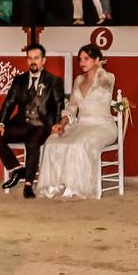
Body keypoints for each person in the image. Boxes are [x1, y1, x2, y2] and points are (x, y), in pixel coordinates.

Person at [37, 44, 118, 200]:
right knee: (53, 141)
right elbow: (72, 107)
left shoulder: (107, 77)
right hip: (81, 125)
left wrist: (100, 69)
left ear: (97, 60)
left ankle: (77, 189)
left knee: (79, 144)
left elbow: (107, 84)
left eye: (86, 59)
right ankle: (56, 185)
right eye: (80, 59)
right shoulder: (79, 80)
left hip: (102, 126)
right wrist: (61, 124)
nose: (81, 62)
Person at [0, 43, 65, 200]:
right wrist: (0, 123)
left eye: (36, 58)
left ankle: (28, 185)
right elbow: (9, 103)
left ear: (44, 60)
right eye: (29, 58)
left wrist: (57, 124)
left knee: (32, 142)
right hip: (21, 123)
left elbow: (59, 104)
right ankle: (17, 169)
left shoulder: (54, 81)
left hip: (41, 125)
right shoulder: (19, 80)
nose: (33, 61)